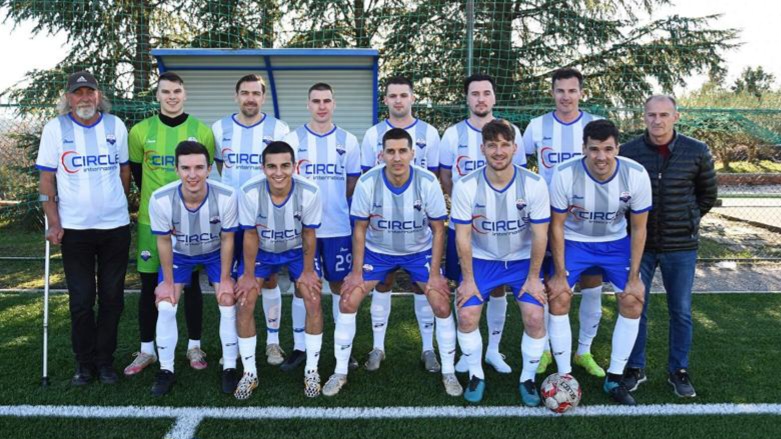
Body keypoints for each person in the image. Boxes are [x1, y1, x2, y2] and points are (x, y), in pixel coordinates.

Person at [321, 128, 461, 397]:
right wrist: (356, 272)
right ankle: (340, 372)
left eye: (402, 151)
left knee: (442, 304)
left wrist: (434, 273)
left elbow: (438, 229)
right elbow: (359, 228)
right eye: (391, 151)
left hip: (418, 252)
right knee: (348, 300)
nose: (397, 157)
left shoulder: (427, 181)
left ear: (412, 153)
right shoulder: (368, 182)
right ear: (381, 154)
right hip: (378, 252)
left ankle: (448, 371)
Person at [546, 119, 651, 405]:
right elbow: (556, 226)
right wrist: (559, 273)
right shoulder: (565, 173)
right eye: (594, 149)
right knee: (558, 296)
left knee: (633, 299)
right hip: (574, 241)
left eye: (607, 149)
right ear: (584, 148)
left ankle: (614, 378)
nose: (601, 156)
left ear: (618, 148)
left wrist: (635, 277)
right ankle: (565, 376)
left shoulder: (635, 174)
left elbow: (639, 227)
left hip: (615, 244)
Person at [36, 71, 131, 386]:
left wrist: (116, 203)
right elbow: (46, 180)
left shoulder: (115, 126)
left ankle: (105, 362)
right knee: (81, 300)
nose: (85, 98)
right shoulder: (55, 128)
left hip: (115, 227)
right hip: (75, 230)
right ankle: (84, 364)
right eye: (78, 93)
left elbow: (124, 171)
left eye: (90, 92)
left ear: (99, 95)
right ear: (68, 98)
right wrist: (53, 221)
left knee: (112, 299)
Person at [620, 95, 717, 398]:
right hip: (641, 246)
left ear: (676, 116)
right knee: (636, 305)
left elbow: (707, 195)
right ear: (644, 117)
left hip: (681, 246)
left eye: (664, 114)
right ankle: (635, 368)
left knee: (681, 311)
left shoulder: (697, 151)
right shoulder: (629, 152)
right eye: (651, 114)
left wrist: (687, 219)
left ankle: (679, 370)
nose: (657, 120)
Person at [450, 120, 550, 405]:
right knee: (467, 316)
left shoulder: (534, 184)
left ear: (515, 148)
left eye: (505, 145)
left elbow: (540, 234)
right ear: (482, 148)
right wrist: (468, 280)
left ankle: (528, 379)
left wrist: (534, 278)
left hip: (521, 261)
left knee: (535, 317)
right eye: (492, 145)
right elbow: (462, 236)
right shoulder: (466, 185)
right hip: (482, 260)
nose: (499, 151)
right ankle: (476, 374)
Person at [125, 72, 215, 376]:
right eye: (166, 92)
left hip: (192, 222)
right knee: (150, 284)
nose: (172, 97)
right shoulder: (140, 131)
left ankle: (194, 346)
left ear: (184, 95)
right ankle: (147, 350)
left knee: (191, 285)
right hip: (152, 222)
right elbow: (138, 177)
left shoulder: (202, 131)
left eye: (177, 91)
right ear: (158, 95)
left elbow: (203, 173)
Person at [439, 74, 527, 374]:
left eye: (486, 93)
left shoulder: (512, 131)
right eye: (475, 93)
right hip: (464, 227)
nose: (481, 99)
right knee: (463, 285)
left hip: (502, 230)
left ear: (494, 97)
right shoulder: (453, 134)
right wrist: (465, 208)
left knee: (498, 287)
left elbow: (519, 177)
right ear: (467, 98)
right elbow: (446, 177)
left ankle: (493, 350)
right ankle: (468, 353)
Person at [522, 68, 606, 377]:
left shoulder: (595, 124)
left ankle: (584, 351)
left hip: (588, 223)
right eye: (560, 90)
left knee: (592, 285)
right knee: (550, 287)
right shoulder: (537, 126)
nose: (566, 96)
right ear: (552, 93)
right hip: (548, 222)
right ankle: (545, 349)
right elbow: (521, 168)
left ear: (581, 93)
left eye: (572, 91)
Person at [360, 76, 442, 373]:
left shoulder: (429, 133)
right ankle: (378, 347)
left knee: (423, 286)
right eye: (392, 95)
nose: (398, 100)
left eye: (403, 95)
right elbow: (367, 179)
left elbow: (433, 178)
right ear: (385, 100)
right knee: (383, 283)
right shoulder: (372, 134)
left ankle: (428, 349)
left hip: (417, 230)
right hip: (381, 231)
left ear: (412, 98)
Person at [147, 141, 238, 397]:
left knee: (227, 299)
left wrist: (225, 278)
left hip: (215, 252)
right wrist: (167, 282)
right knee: (166, 304)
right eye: (186, 168)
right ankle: (166, 370)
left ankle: (230, 366)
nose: (192, 174)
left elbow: (228, 239)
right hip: (180, 254)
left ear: (209, 169)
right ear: (176, 169)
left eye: (199, 167)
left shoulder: (227, 196)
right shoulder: (161, 198)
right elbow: (164, 241)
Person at [212, 74, 291, 368]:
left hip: (266, 218)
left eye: (256, 93)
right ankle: (232, 345)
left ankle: (273, 341)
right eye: (245, 93)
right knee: (232, 280)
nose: (250, 98)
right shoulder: (219, 128)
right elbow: (220, 165)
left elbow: (282, 169)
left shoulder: (279, 129)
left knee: (268, 278)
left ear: (263, 97)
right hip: (231, 219)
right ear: (236, 96)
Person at [234, 141, 324, 399]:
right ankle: (249, 373)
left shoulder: (310, 191)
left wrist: (308, 271)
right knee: (245, 301)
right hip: (263, 251)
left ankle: (311, 370)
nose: (278, 172)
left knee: (312, 297)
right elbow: (250, 234)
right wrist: (248, 276)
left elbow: (309, 233)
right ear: (263, 168)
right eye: (272, 166)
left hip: (296, 250)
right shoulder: (249, 191)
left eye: (285, 165)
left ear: (294, 166)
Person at [283, 82, 361, 370]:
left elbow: (352, 181)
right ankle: (299, 347)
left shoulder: (348, 140)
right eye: (316, 101)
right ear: (308, 104)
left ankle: (343, 347)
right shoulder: (293, 139)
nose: (321, 106)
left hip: (338, 228)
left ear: (334, 104)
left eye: (326, 100)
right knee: (302, 287)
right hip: (303, 230)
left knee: (341, 286)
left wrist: (334, 201)